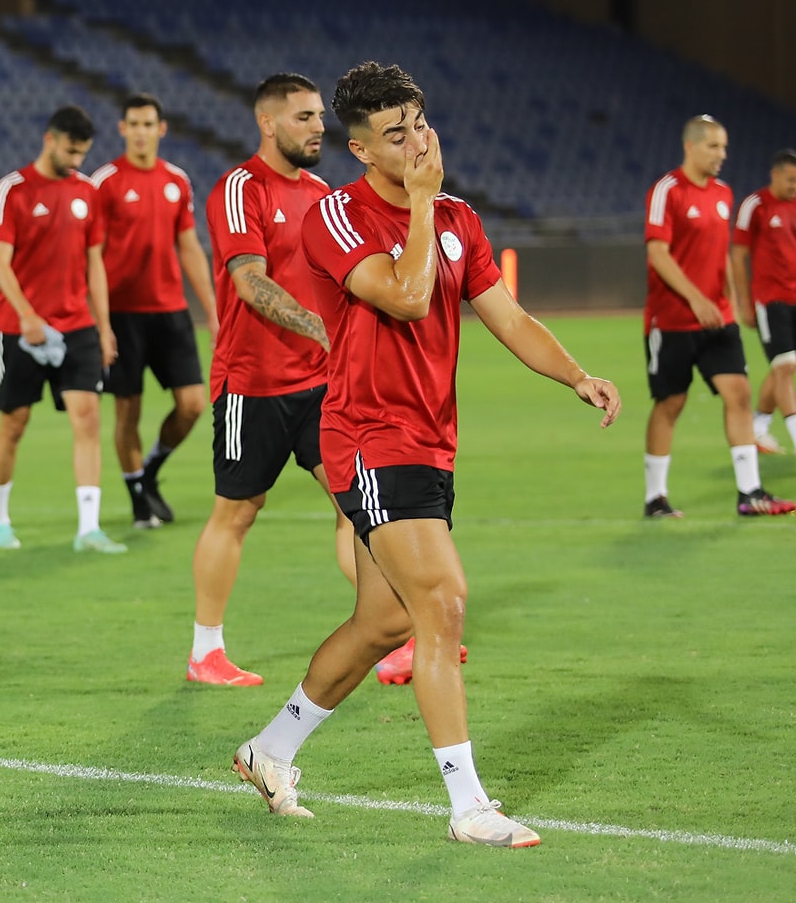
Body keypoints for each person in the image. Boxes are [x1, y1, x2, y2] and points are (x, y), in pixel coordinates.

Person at [232, 61, 621, 847]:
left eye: (420, 124)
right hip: (368, 436)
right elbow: (407, 295)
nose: (416, 142)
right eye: (394, 133)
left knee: (380, 620)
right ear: (360, 150)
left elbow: (507, 316)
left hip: (430, 440)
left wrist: (576, 374)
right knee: (442, 602)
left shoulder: (459, 219)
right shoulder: (337, 218)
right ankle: (469, 805)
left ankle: (269, 750)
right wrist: (417, 204)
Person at [187, 74, 354, 687]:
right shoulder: (240, 189)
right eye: (305, 117)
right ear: (268, 122)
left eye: (319, 118)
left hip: (320, 384)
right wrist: (319, 326)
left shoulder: (320, 192)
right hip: (250, 384)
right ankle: (207, 651)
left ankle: (388, 633)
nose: (318, 128)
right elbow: (249, 283)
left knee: (352, 505)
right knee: (237, 512)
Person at [641, 117, 796, 518]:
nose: (721, 155)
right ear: (690, 146)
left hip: (718, 319)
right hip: (673, 320)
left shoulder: (724, 193)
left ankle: (751, 492)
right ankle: (655, 497)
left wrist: (728, 296)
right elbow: (658, 252)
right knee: (671, 403)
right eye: (713, 146)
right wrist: (694, 299)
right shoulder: (667, 191)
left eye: (724, 147)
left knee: (739, 395)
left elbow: (723, 252)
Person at [0, 105, 123, 553]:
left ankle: (89, 528)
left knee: (87, 418)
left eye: (83, 153)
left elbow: (95, 264)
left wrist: (104, 328)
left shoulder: (87, 193)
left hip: (77, 325)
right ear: (49, 140)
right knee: (15, 423)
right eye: (71, 150)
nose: (77, 160)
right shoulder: (14, 189)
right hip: (20, 329)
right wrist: (27, 316)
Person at [91, 94, 218, 530]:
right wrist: (101, 324)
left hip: (170, 311)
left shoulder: (176, 181)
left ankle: (149, 470)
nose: (141, 131)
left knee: (192, 405)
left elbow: (188, 246)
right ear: (122, 129)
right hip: (123, 316)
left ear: (162, 129)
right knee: (128, 411)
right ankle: (138, 502)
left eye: (149, 123)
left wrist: (213, 312)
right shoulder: (104, 182)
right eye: (134, 123)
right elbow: (92, 257)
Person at [733, 150, 796, 459]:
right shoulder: (754, 205)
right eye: (791, 180)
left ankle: (758, 426)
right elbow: (738, 254)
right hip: (771, 300)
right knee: (786, 367)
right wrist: (744, 302)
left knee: (783, 365)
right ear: (775, 175)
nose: (795, 186)